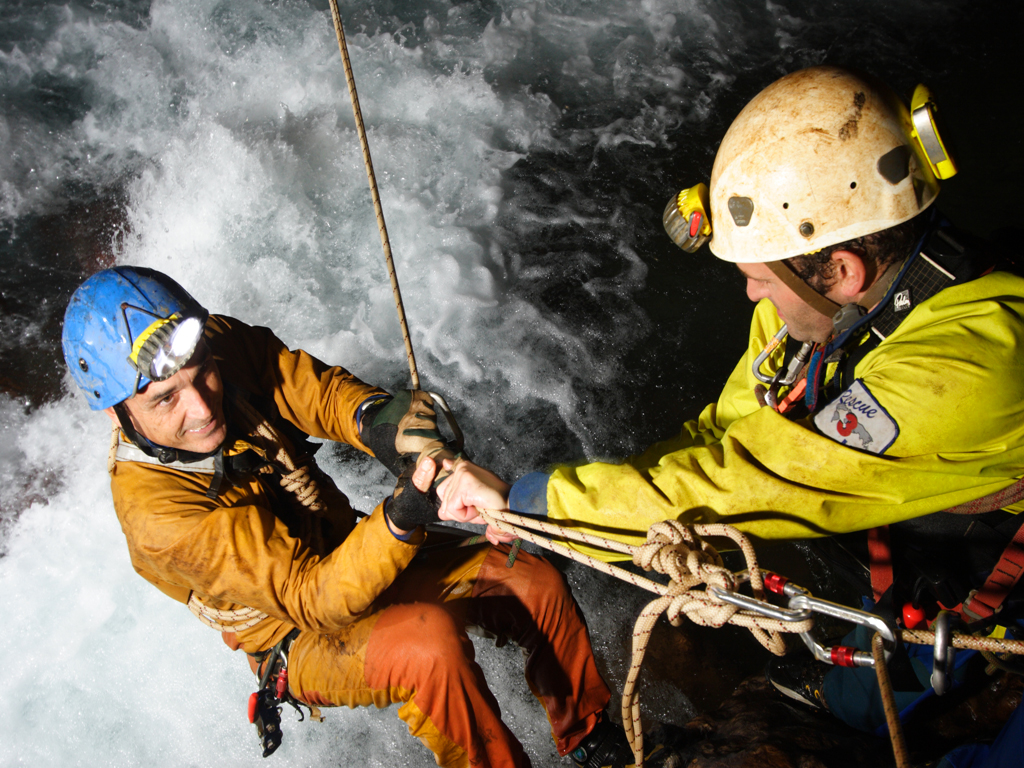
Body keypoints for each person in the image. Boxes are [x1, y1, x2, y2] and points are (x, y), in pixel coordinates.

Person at [436, 66, 1024, 736]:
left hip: (997, 597)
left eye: (755, 279)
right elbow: (725, 438)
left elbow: (752, 482)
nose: (750, 296)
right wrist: (611, 506)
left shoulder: (972, 368)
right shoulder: (815, 311)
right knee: (871, 688)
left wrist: (535, 501)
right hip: (922, 573)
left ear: (843, 270)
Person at [60, 265, 680, 768]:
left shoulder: (217, 347)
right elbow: (312, 597)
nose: (202, 407)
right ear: (116, 414)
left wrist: (385, 428)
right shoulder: (159, 515)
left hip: (350, 552)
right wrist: (405, 514)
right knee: (428, 648)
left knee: (532, 578)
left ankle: (594, 741)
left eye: (203, 377)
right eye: (166, 399)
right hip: (297, 631)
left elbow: (314, 392)